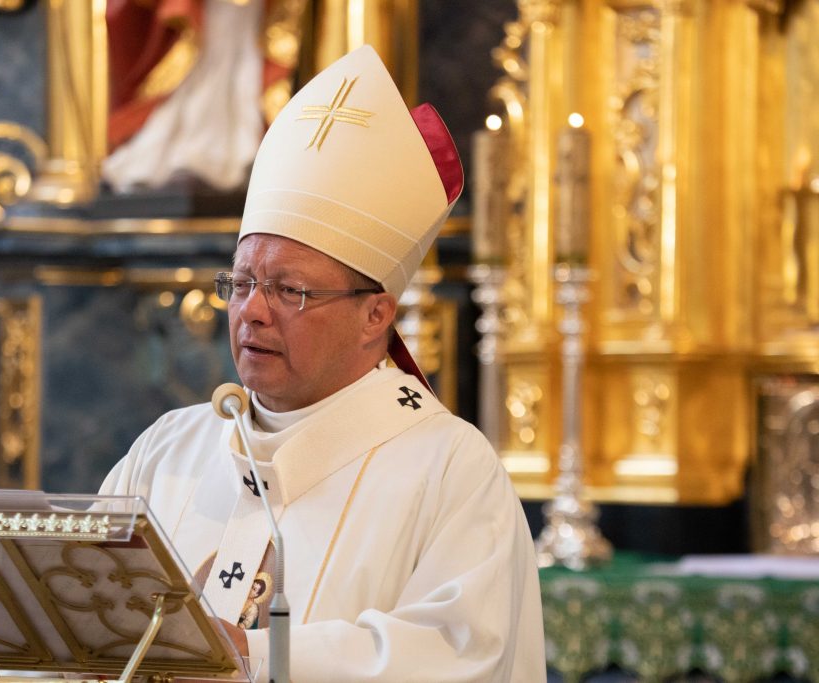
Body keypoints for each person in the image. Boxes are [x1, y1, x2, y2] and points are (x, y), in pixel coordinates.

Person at [99, 45, 546, 681]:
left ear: (376, 315)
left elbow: (459, 655)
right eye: (242, 283)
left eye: (290, 290)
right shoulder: (167, 449)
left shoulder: (449, 470)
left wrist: (251, 656)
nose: (252, 312)